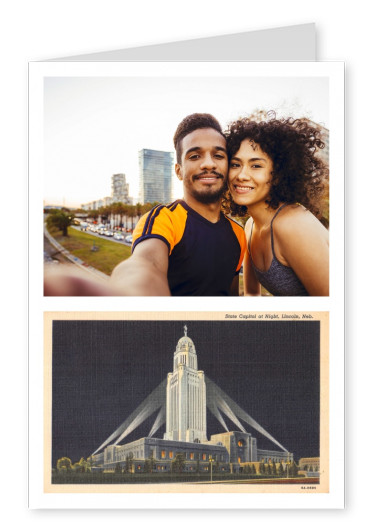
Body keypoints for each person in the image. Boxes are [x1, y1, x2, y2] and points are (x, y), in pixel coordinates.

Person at [44, 113, 246, 296]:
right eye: (194, 156)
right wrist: (130, 296)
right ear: (178, 171)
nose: (208, 163)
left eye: (218, 155)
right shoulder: (163, 219)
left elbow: (230, 294)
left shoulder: (238, 233)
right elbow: (144, 264)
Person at [224, 115, 329, 296]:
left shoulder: (295, 224)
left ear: (278, 175)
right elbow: (252, 296)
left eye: (256, 166)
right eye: (235, 164)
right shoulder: (250, 226)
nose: (241, 175)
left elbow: (334, 310)